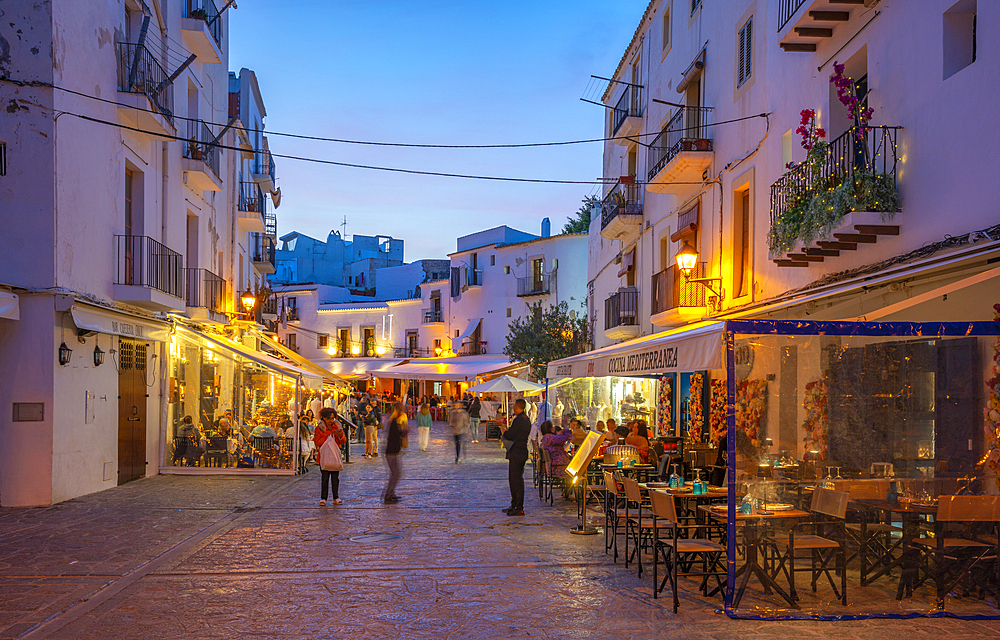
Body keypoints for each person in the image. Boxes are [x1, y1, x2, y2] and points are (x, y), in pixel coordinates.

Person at [501, 398, 531, 516]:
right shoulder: (524, 419)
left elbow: (510, 434)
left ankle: (518, 506)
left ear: (517, 407)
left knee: (516, 480)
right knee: (513, 479)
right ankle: (514, 503)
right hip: (519, 451)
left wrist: (503, 427)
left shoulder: (519, 419)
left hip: (518, 452)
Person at [315, 408, 347, 505]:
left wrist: (340, 435)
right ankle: (323, 498)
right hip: (323, 456)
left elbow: (343, 441)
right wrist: (328, 435)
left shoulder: (337, 426)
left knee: (335, 478)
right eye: (329, 418)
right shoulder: (319, 429)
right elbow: (318, 442)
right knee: (324, 478)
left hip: (334, 456)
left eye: (333, 418)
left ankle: (335, 497)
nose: (331, 420)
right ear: (324, 418)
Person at [384, 402, 409, 504]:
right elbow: (395, 435)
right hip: (391, 451)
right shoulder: (394, 421)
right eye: (401, 409)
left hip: (393, 451)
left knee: (396, 473)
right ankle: (388, 495)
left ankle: (391, 493)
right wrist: (404, 432)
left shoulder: (394, 421)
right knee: (395, 473)